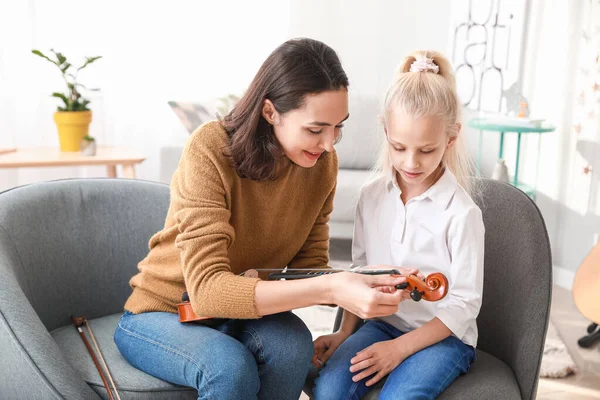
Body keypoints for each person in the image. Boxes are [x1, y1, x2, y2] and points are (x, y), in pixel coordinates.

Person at [114, 37, 408, 400]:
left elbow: (308, 267)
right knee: (228, 365)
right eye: (316, 130)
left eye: (338, 127)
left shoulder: (321, 165)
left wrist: (360, 280)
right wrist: (331, 287)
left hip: (241, 315)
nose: (329, 144)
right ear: (271, 112)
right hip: (164, 311)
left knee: (293, 347)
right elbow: (206, 291)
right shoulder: (210, 148)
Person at [312, 50, 485, 400]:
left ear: (450, 140)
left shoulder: (462, 214)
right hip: (381, 326)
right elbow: (361, 275)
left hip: (443, 338)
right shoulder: (372, 197)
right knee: (328, 390)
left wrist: (400, 350)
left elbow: (464, 305)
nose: (410, 162)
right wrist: (346, 333)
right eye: (399, 146)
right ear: (385, 131)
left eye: (426, 150)